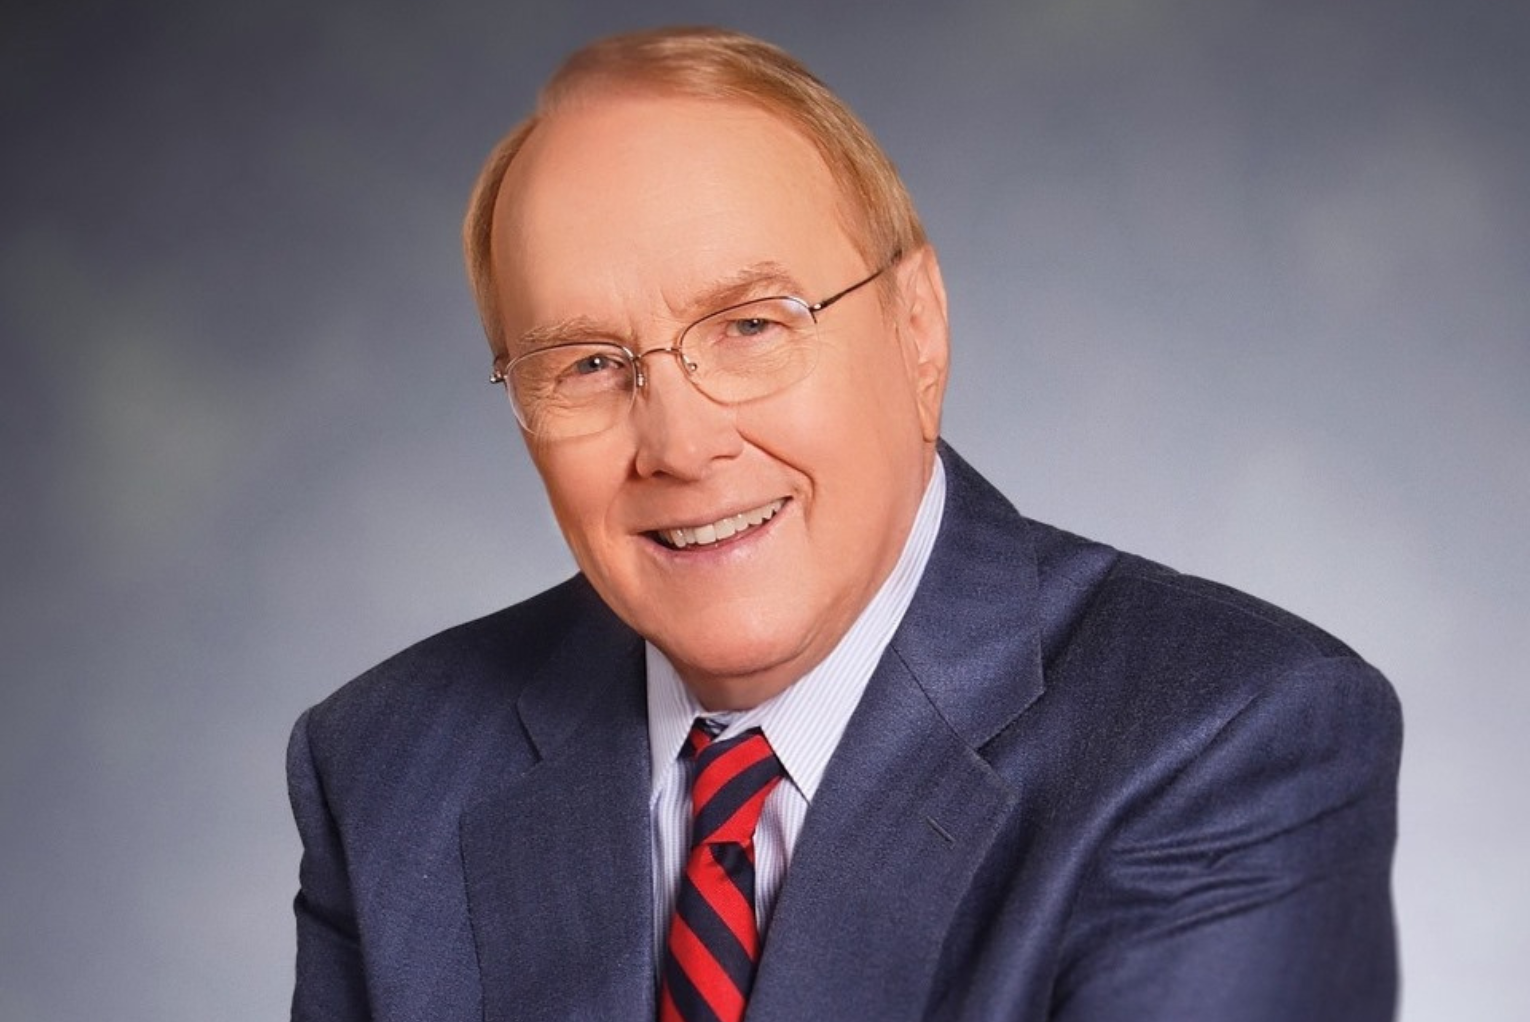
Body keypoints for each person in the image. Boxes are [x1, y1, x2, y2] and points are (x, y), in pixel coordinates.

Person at [287, 26, 1401, 1022]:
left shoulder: (1231, 735)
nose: (680, 444)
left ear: (919, 332)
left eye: (750, 326)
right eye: (585, 363)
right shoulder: (387, 765)